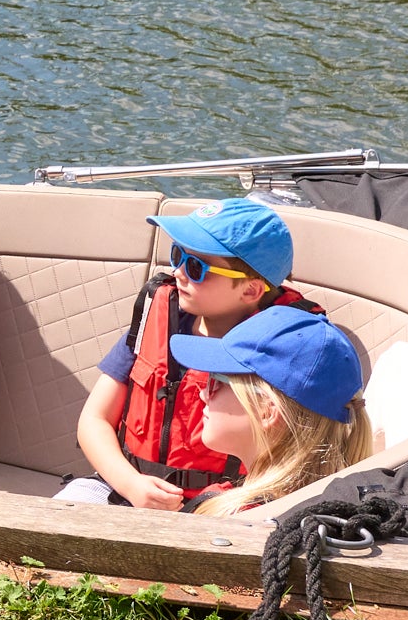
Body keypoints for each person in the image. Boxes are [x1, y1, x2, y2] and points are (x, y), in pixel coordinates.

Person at [72, 198, 326, 510]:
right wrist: (130, 483)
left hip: (227, 504)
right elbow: (93, 419)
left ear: (250, 290)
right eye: (177, 255)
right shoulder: (158, 321)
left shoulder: (282, 350)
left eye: (196, 267)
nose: (178, 273)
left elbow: (298, 459)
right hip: (122, 485)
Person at [170, 305, 377, 519]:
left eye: (214, 382)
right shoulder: (339, 510)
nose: (202, 394)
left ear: (267, 410)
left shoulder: (229, 517)